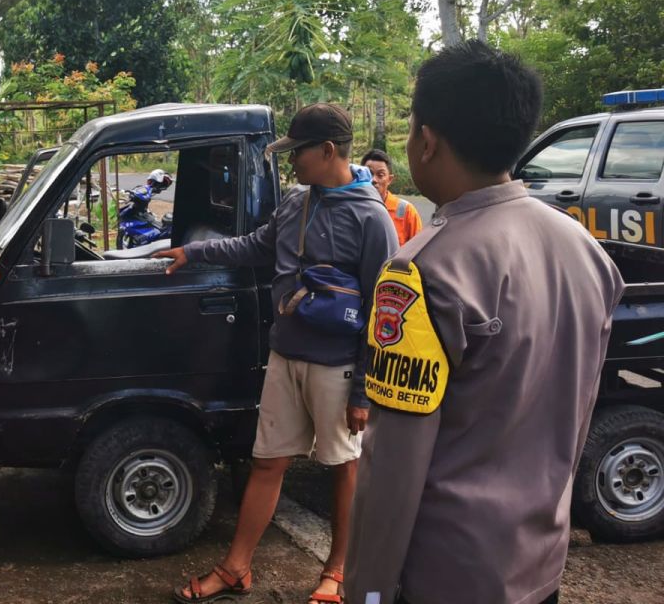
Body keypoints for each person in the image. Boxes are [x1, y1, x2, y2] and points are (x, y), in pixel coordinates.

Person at [344, 41, 624, 604]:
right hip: (537, 565)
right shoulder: (584, 250)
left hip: (446, 574)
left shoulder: (421, 271)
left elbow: (393, 462)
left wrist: (368, 591)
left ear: (427, 140)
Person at [156, 103, 398, 604]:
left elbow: (384, 312)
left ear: (328, 151)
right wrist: (193, 252)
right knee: (267, 462)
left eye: (299, 153)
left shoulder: (373, 219)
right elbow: (256, 246)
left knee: (343, 466)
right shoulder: (295, 201)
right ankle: (236, 568)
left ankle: (337, 572)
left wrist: (363, 391)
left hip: (339, 365)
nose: (292, 163)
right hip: (285, 356)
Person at [359, 149, 422, 246]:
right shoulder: (353, 208)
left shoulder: (407, 212)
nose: (373, 180)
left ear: (390, 179)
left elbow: (418, 250)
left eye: (380, 175)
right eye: (369, 174)